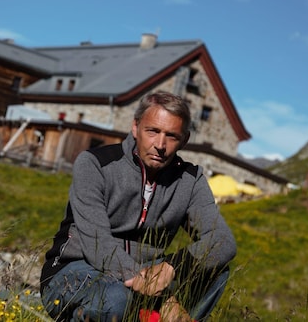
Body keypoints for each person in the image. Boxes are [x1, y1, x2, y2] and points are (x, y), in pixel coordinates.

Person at [40, 91, 237, 321]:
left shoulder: (190, 180)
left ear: (185, 140)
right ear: (135, 127)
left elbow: (223, 241)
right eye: (152, 131)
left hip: (146, 275)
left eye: (171, 136)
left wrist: (172, 267)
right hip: (75, 270)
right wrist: (159, 296)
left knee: (216, 270)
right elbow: (97, 245)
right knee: (115, 299)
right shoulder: (95, 164)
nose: (160, 145)